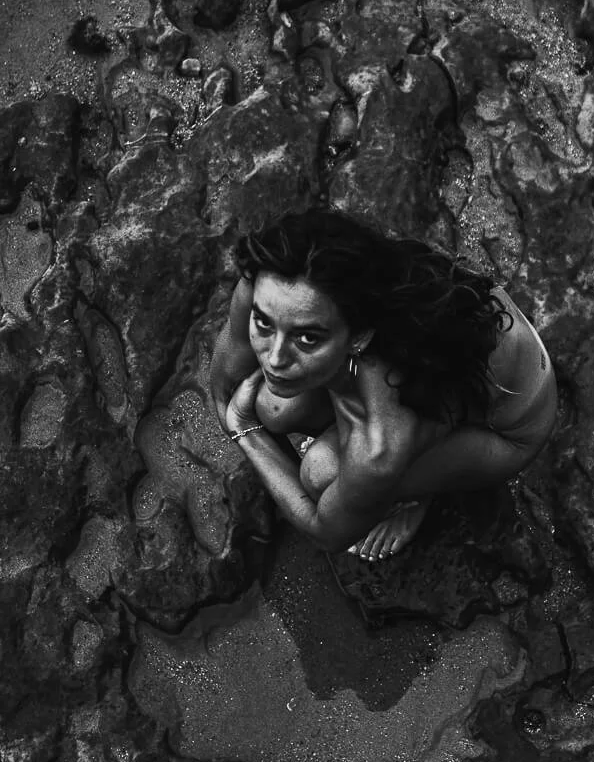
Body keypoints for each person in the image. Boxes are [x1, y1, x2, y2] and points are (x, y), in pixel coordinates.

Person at [209, 208, 556, 560]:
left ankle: (415, 493)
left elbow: (325, 532)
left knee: (320, 473)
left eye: (307, 338)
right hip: (420, 377)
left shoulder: (382, 442)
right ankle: (382, 472)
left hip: (504, 428)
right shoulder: (276, 282)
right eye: (264, 324)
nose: (275, 358)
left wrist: (244, 429)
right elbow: (223, 387)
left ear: (360, 336)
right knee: (275, 406)